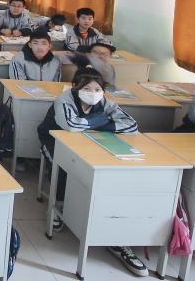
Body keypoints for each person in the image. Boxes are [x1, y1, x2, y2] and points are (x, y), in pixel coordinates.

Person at [36, 70, 143, 275]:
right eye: (87, 88)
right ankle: (58, 205)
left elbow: (132, 126)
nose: (93, 93)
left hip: (89, 141)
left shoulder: (105, 103)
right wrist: (103, 120)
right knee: (63, 168)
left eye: (97, 89)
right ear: (75, 87)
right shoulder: (64, 100)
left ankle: (103, 219)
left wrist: (95, 122)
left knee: (103, 172)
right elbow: (71, 125)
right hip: (53, 139)